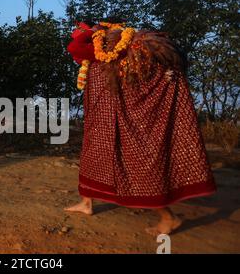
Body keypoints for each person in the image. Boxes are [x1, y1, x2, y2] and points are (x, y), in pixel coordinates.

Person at [65, 20, 217, 235]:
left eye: (79, 31)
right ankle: (86, 203)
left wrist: (90, 32)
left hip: (118, 121)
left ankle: (169, 217)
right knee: (93, 158)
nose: (75, 34)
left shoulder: (107, 47)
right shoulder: (102, 53)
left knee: (136, 168)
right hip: (102, 120)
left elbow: (74, 48)